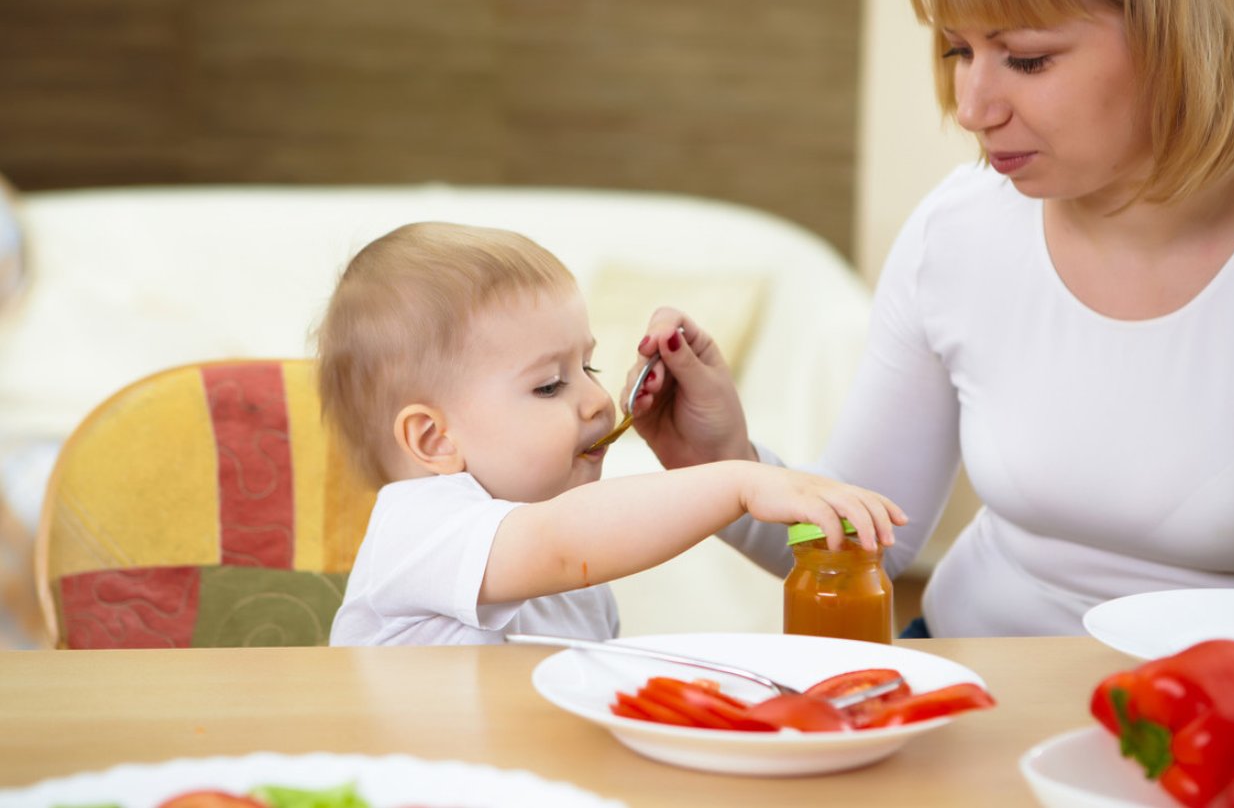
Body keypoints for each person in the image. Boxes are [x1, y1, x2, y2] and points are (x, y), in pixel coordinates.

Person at [622, 0, 1234, 637]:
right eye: (957, 49)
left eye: (1028, 59)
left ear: (1181, 40)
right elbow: (859, 545)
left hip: (1226, 721)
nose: (973, 108)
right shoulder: (958, 231)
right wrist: (725, 463)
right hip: (967, 679)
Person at [317, 222, 905, 646]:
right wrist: (739, 483)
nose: (598, 400)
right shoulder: (418, 525)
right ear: (433, 440)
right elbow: (560, 542)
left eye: (589, 368)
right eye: (550, 385)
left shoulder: (577, 590)